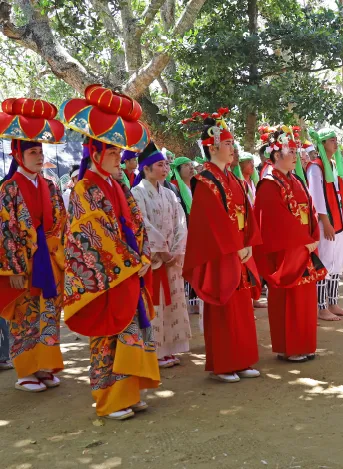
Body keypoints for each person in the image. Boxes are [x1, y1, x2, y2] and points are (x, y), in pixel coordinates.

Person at [60, 84, 158, 420]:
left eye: (119, 153)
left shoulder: (117, 185)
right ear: (96, 153)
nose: (119, 158)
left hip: (127, 270)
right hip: (105, 275)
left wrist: (143, 256)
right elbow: (94, 235)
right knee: (106, 335)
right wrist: (133, 261)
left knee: (128, 330)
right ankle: (108, 400)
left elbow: (136, 222)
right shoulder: (83, 189)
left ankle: (128, 393)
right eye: (113, 153)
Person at [182, 113, 262, 383]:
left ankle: (242, 359)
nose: (233, 149)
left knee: (240, 306)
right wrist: (236, 246)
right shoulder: (204, 181)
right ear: (212, 147)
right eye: (228, 144)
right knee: (223, 304)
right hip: (221, 252)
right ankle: (224, 364)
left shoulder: (234, 178)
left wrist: (248, 242)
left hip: (239, 248)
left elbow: (247, 212)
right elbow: (210, 221)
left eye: (233, 144)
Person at [0, 97, 67, 393]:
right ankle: (25, 371)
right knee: (26, 316)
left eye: (41, 151)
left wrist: (54, 249)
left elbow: (60, 221)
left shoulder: (51, 185)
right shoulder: (8, 189)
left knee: (48, 313)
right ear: (18, 154)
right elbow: (5, 229)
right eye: (32, 152)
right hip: (23, 264)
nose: (39, 157)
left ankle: (45, 366)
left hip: (49, 260)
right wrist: (11, 267)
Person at [254, 139, 326, 361]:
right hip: (286, 248)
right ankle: (289, 347)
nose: (296, 155)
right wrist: (302, 239)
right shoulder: (268, 183)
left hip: (303, 245)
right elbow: (275, 219)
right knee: (288, 297)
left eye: (296, 151)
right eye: (290, 151)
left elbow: (310, 209)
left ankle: (303, 344)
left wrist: (313, 236)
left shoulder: (296, 179)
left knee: (303, 299)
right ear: (275, 156)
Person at [131, 143, 191, 369]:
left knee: (172, 302)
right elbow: (142, 224)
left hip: (171, 258)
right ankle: (154, 350)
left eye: (166, 164)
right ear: (146, 169)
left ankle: (170, 348)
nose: (165, 168)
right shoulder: (137, 193)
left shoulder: (169, 193)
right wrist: (162, 251)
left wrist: (176, 250)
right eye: (159, 164)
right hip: (154, 260)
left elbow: (180, 223)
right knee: (154, 303)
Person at [307, 128, 343, 321]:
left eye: (336, 139)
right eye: (331, 140)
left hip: (338, 220)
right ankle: (321, 306)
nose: (335, 142)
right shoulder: (316, 166)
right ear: (322, 143)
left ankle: (333, 303)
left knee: (335, 265)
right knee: (324, 263)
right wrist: (325, 222)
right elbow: (316, 197)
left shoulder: (333, 164)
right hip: (327, 222)